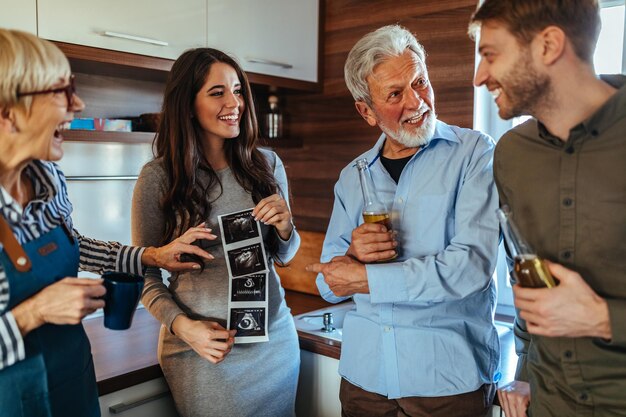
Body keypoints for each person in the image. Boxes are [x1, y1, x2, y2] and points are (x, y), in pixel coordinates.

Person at [0, 29, 216, 417]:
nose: (78, 103)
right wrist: (33, 313)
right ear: (8, 114)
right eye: (60, 92)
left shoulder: (48, 178)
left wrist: (153, 256)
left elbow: (72, 244)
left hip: (73, 382)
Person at [307, 25, 500, 417]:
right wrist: (352, 253)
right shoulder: (352, 176)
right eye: (395, 94)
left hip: (447, 383)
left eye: (420, 82)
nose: (417, 101)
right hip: (364, 382)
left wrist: (365, 278)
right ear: (367, 111)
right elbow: (327, 284)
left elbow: (470, 268)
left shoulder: (475, 154)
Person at [470, 1, 626, 416]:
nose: (479, 76)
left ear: (549, 45)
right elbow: (528, 275)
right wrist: (524, 372)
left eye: (490, 54)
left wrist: (604, 318)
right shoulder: (511, 155)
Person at [131, 48, 301, 417]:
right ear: (188, 104)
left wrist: (286, 227)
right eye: (217, 92)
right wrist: (184, 328)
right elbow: (142, 275)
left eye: (238, 90)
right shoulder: (158, 178)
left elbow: (283, 257)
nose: (234, 102)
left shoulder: (267, 164)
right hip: (204, 352)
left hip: (274, 345)